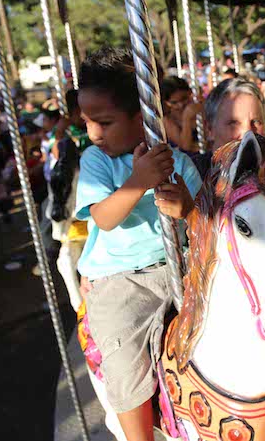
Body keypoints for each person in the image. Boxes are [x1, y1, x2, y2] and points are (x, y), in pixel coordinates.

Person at [75, 47, 202, 441]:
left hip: (177, 267)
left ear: (143, 114)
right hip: (120, 280)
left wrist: (187, 208)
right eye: (87, 122)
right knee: (125, 362)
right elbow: (103, 218)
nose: (93, 133)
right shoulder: (97, 161)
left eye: (104, 122)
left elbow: (202, 223)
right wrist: (138, 181)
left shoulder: (179, 164)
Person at [160, 77, 201, 152]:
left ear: (190, 92)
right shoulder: (168, 120)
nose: (181, 105)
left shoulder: (199, 108)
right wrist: (187, 118)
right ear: (167, 103)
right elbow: (185, 146)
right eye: (174, 102)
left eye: (184, 98)